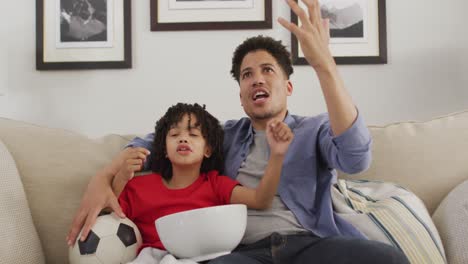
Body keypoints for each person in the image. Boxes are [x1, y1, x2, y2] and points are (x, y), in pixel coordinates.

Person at [67, 0, 409, 263]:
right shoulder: (220, 137)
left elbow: (356, 156)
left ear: (288, 87)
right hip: (243, 251)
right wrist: (103, 176)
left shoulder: (315, 129)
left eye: (267, 70)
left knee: (388, 260)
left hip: (310, 244)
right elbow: (154, 144)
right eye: (247, 75)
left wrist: (324, 66)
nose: (257, 78)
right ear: (242, 96)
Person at [114, 102, 293, 263]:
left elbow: (260, 200)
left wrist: (277, 155)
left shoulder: (215, 184)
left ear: (207, 150)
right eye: (175, 134)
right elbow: (109, 209)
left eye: (193, 134)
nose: (183, 139)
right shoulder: (139, 187)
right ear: (165, 149)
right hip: (153, 257)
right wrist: (121, 176)